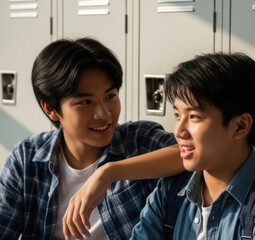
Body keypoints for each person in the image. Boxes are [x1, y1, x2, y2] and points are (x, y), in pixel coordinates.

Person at [0, 37, 184, 240]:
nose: (104, 114)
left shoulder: (138, 141)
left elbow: (191, 152)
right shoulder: (26, 157)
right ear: (51, 109)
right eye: (85, 102)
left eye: (110, 97)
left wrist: (108, 173)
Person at [128, 52, 255, 239]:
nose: (178, 131)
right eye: (177, 115)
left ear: (240, 126)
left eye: (194, 117)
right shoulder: (170, 191)